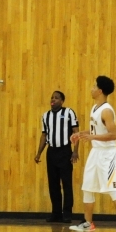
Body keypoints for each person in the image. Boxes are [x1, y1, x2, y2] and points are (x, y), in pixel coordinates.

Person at [69, 76, 116, 232]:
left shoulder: (106, 110)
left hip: (107, 154)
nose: (91, 88)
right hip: (95, 152)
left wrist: (93, 137)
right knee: (87, 186)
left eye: (94, 86)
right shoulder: (95, 108)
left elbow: (113, 134)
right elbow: (96, 131)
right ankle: (87, 223)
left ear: (100, 90)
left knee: (112, 187)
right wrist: (81, 134)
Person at [34, 90, 79, 223]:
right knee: (53, 185)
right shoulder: (45, 116)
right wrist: (39, 153)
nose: (53, 100)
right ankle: (56, 213)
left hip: (65, 152)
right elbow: (44, 135)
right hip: (51, 152)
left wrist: (75, 151)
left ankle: (67, 214)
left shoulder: (69, 113)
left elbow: (76, 132)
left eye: (57, 98)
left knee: (66, 184)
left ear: (62, 101)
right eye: (52, 97)